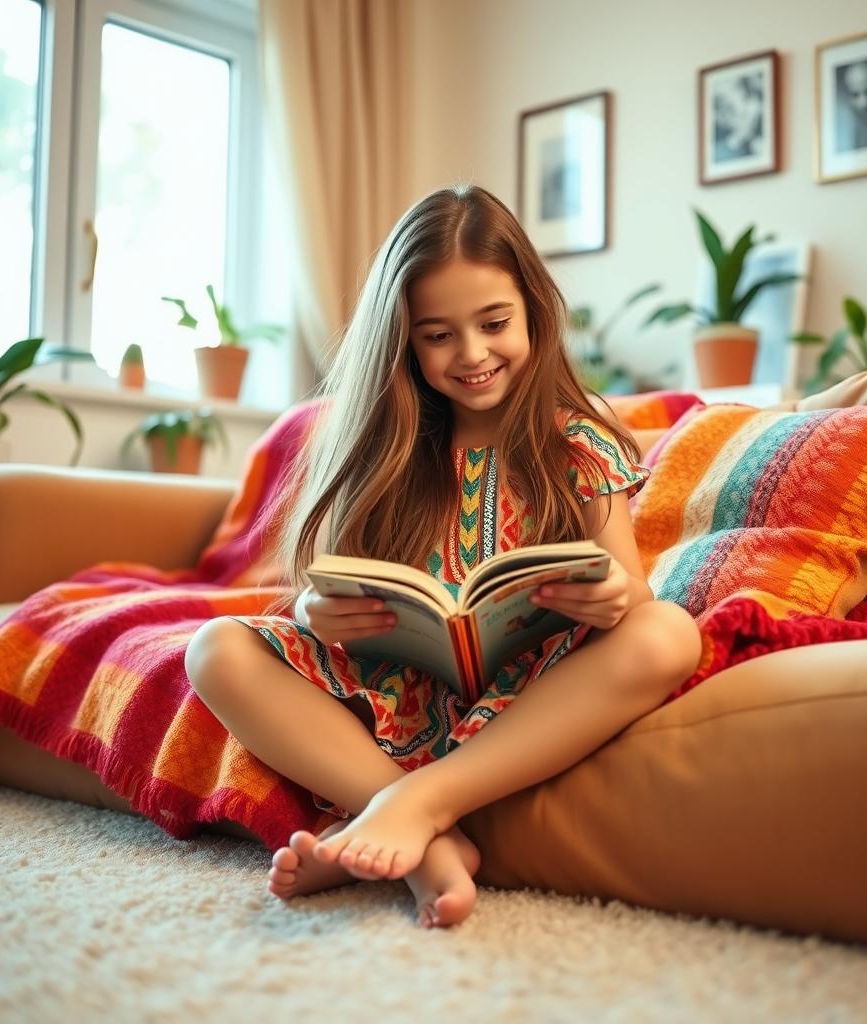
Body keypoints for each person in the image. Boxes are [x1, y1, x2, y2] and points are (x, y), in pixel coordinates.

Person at [184, 184, 702, 929]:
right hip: (401, 690)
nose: (471, 354)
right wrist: (315, 611)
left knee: (669, 633)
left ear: (533, 311)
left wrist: (616, 596)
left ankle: (409, 808)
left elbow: (635, 597)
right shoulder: (383, 450)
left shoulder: (577, 442)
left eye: (494, 323)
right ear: (402, 342)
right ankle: (430, 846)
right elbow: (329, 584)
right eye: (437, 335)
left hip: (535, 689)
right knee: (216, 650)